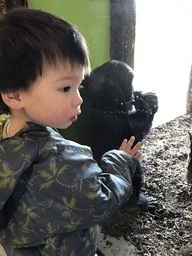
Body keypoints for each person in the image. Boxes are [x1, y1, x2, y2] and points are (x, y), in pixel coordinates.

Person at [0, 8, 142, 256]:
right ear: (14, 94)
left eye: (79, 85)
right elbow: (103, 200)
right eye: (65, 88)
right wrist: (120, 161)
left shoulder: (6, 129)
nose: (78, 99)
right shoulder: (61, 160)